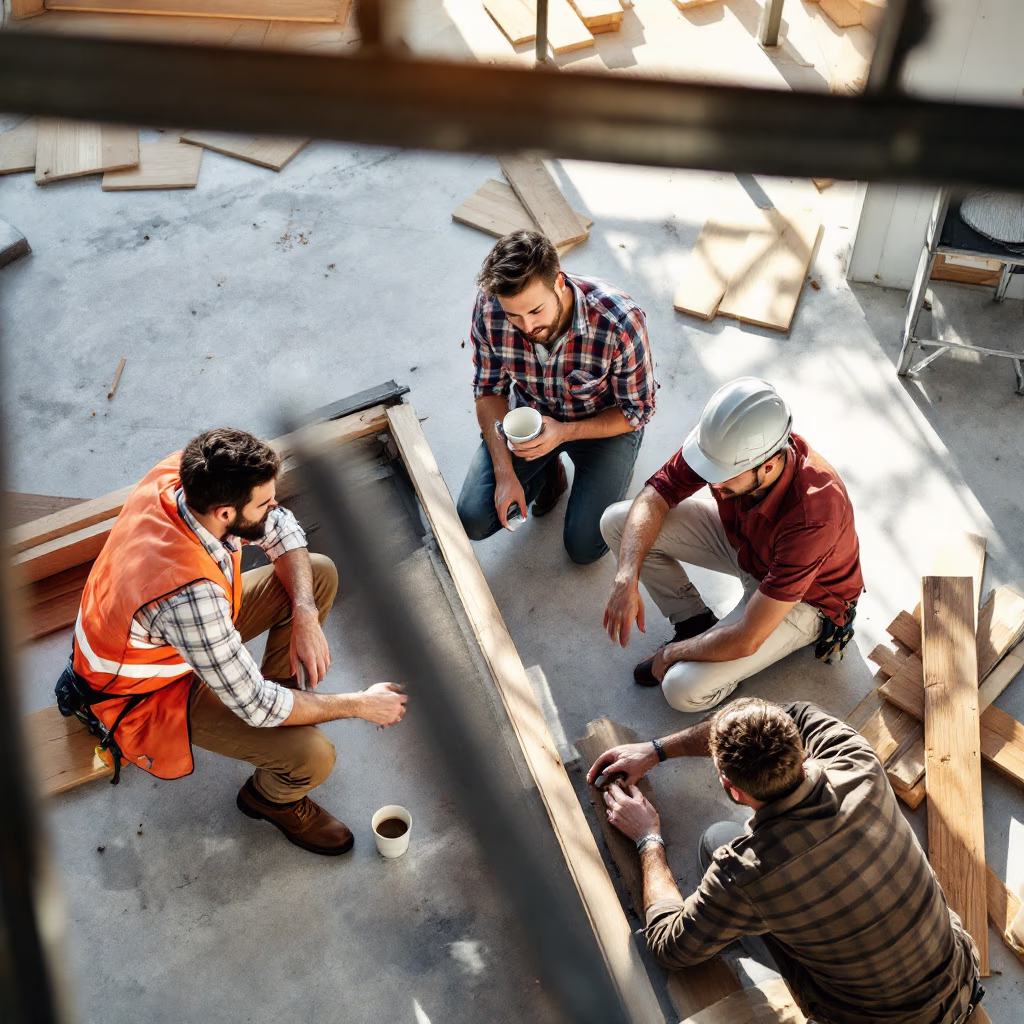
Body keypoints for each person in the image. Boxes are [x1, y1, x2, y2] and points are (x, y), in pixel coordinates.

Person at [57, 428, 407, 856]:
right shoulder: (186, 595)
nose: (274, 506)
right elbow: (256, 706)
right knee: (313, 756)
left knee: (314, 577)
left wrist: (304, 613)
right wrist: (360, 704)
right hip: (151, 690)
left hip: (177, 640)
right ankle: (270, 799)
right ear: (225, 513)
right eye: (264, 502)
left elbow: (280, 527)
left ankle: (287, 708)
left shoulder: (186, 475)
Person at [587, 698, 983, 1024]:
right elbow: (789, 710)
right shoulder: (856, 759)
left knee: (716, 841)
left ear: (731, 788)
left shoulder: (745, 872)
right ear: (800, 746)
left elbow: (668, 946)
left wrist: (648, 837)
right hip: (962, 982)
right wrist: (655, 750)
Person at [601, 376, 863, 712]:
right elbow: (654, 496)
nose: (710, 481)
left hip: (805, 598)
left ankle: (716, 668)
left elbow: (747, 637)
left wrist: (670, 654)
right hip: (749, 543)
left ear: (767, 466)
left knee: (681, 689)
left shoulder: (815, 514)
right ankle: (693, 623)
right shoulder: (724, 450)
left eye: (721, 477)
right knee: (619, 523)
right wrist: (626, 575)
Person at [456, 229, 656, 565]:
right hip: (531, 416)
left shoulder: (620, 321)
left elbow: (638, 410)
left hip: (601, 425)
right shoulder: (490, 307)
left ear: (559, 283)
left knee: (584, 548)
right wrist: (504, 474)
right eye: (513, 315)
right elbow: (488, 390)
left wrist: (564, 433)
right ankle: (550, 473)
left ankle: (604, 470)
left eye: (536, 310)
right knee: (474, 518)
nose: (526, 326)